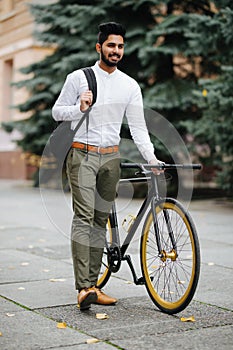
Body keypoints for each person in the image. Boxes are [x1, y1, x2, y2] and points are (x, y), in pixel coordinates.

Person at [52, 22, 164, 310]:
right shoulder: (79, 78)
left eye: (121, 46)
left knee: (100, 220)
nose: (116, 51)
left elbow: (138, 128)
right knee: (85, 216)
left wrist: (151, 158)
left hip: (111, 158)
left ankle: (93, 286)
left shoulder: (129, 85)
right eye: (111, 45)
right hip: (82, 154)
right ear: (99, 47)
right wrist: (78, 108)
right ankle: (83, 287)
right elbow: (56, 111)